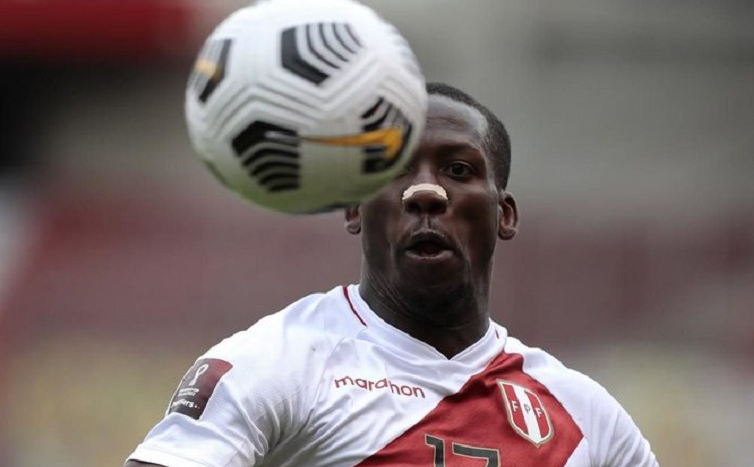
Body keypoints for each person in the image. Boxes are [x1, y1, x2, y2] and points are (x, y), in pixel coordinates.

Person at [125, 82, 658, 466]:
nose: (424, 191)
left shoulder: (587, 418)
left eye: (458, 170)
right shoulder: (278, 363)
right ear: (355, 209)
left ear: (504, 213)